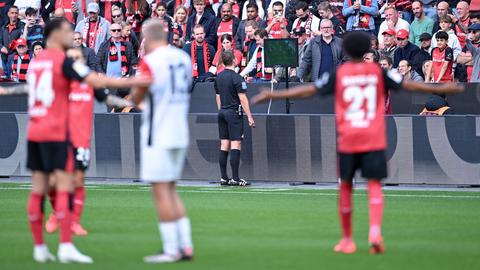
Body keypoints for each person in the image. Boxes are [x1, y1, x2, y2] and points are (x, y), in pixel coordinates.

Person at [251, 31, 463, 255]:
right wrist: (440, 88)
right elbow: (411, 86)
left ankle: (347, 239)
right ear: (365, 50)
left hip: (348, 138)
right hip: (373, 137)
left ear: (346, 51)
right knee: (373, 186)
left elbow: (310, 90)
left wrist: (274, 96)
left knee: (345, 187)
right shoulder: (378, 72)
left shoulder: (340, 73)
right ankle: (374, 231)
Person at [0, 17, 141, 264]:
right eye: (67, 31)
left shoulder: (39, 62)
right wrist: (133, 82)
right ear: (56, 34)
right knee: (63, 187)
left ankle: (40, 248)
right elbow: (99, 81)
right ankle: (65, 246)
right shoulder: (63, 63)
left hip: (37, 131)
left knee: (38, 191)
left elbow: (31, 89)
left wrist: (7, 91)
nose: (71, 35)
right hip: (57, 132)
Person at [118, 19, 195, 263]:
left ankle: (172, 249)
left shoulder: (151, 61)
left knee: (160, 191)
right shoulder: (182, 58)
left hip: (158, 132)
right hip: (179, 130)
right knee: (171, 190)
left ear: (146, 39)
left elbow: (137, 95)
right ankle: (186, 246)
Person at [44, 46, 132, 237]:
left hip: (81, 139)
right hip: (60, 137)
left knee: (78, 180)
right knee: (52, 180)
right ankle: (56, 213)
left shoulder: (90, 83)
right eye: (71, 58)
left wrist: (131, 103)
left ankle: (74, 222)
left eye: (78, 58)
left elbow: (108, 99)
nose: (75, 61)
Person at [215, 50, 254, 186]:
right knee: (235, 144)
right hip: (233, 113)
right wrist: (249, 116)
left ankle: (224, 178)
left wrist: (221, 110)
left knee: (224, 144)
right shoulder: (237, 78)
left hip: (222, 112)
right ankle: (236, 178)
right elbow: (243, 99)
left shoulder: (218, 77)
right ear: (233, 61)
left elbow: (218, 97)